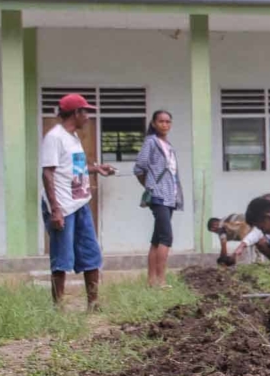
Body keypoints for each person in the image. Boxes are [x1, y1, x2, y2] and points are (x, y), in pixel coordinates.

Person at [41, 93, 116, 312]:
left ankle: (93, 303)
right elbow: (47, 174)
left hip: (80, 203)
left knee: (91, 253)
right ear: (75, 113)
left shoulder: (73, 138)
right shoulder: (54, 137)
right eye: (86, 112)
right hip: (63, 206)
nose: (88, 117)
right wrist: (55, 209)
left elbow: (73, 168)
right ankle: (58, 307)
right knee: (62, 257)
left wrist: (96, 169)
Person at [134, 110, 183, 288]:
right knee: (166, 238)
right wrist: (150, 186)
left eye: (168, 122)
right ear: (154, 123)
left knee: (156, 239)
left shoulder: (167, 145)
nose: (165, 125)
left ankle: (151, 281)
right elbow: (139, 167)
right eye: (161, 121)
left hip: (170, 196)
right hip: (159, 196)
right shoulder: (151, 142)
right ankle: (161, 281)